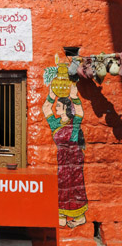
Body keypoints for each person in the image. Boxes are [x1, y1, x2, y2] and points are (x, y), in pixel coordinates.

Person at [42, 82, 88, 228]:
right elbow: (46, 108)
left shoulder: (74, 123)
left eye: (59, 106)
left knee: (75, 186)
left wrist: (74, 97)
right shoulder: (55, 123)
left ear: (66, 108)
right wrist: (51, 96)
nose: (56, 108)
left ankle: (79, 216)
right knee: (62, 185)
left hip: (74, 158)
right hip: (62, 159)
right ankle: (61, 214)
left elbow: (80, 111)